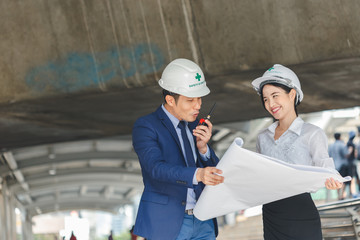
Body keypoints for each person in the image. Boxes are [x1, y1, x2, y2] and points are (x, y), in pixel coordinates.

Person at [132, 58, 224, 240]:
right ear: (170, 100)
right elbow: (155, 169)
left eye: (199, 98)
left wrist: (203, 148)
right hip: (168, 223)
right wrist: (198, 174)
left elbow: (216, 171)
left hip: (202, 219)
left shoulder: (196, 124)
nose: (197, 105)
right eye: (190, 100)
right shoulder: (146, 126)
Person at [251, 64, 343, 240]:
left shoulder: (312, 134)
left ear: (292, 94)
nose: (270, 104)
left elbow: (328, 170)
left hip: (301, 214)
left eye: (275, 96)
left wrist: (335, 181)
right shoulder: (262, 137)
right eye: (265, 99)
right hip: (271, 214)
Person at [328, 133, 348, 199]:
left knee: (336, 181)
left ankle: (338, 196)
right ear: (340, 137)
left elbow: (329, 155)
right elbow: (346, 154)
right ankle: (342, 195)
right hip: (342, 165)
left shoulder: (331, 146)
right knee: (342, 180)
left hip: (334, 166)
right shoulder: (342, 144)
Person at [346, 130, 359, 197]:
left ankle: (353, 192)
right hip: (351, 163)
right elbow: (349, 152)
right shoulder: (350, 143)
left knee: (354, 178)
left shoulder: (350, 142)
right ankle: (353, 193)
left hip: (351, 162)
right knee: (352, 178)